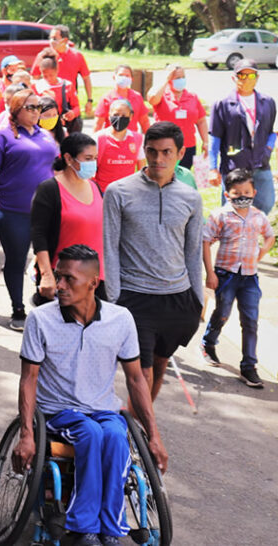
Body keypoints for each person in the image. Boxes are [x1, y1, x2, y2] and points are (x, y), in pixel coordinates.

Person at [14, 244, 167, 546]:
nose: (59, 286)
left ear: (93, 284)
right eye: (58, 277)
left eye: (69, 279)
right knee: (90, 433)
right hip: (58, 411)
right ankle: (84, 526)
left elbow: (136, 379)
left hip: (103, 409)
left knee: (114, 435)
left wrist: (154, 435)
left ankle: (110, 528)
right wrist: (26, 433)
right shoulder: (40, 319)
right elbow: (28, 379)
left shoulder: (120, 319)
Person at [103, 121, 203, 402]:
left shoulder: (191, 198)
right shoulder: (118, 191)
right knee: (141, 375)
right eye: (152, 151)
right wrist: (114, 299)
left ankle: (139, 433)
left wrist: (197, 300)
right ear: (144, 151)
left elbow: (193, 252)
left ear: (180, 153)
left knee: (159, 368)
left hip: (178, 300)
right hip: (134, 299)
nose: (158, 159)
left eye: (166, 152)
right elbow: (109, 247)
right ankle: (140, 440)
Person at [0, 89, 59, 331]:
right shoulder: (3, 137)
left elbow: (56, 168)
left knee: (47, 259)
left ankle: (45, 304)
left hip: (45, 211)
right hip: (12, 211)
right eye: (30, 107)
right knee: (17, 260)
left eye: (38, 107)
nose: (36, 112)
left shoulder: (46, 136)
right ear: (16, 110)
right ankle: (18, 309)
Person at [200, 169, 275, 388]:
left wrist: (262, 252)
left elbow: (269, 236)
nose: (242, 196)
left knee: (250, 321)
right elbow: (206, 241)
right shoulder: (220, 216)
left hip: (250, 277)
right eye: (237, 192)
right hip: (226, 275)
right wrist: (210, 273)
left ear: (254, 192)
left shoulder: (258, 216)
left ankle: (249, 365)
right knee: (222, 313)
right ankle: (208, 344)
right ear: (227, 194)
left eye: (247, 192)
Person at [31, 133, 105, 308]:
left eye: (94, 158)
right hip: (64, 280)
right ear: (68, 158)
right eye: (88, 158)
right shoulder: (49, 189)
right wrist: (47, 275)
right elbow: (39, 235)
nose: (93, 163)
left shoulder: (95, 187)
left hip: (96, 280)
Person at [207, 59, 276, 214]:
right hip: (234, 165)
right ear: (234, 78)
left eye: (251, 76)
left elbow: (271, 131)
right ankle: (233, 236)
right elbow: (215, 137)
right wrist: (212, 167)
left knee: (266, 202)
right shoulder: (223, 104)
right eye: (242, 76)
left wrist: (268, 149)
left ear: (257, 78)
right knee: (232, 209)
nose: (246, 80)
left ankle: (251, 233)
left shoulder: (268, 102)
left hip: (260, 163)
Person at [148, 64, 208, 169]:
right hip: (164, 146)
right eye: (177, 78)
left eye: (183, 77)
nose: (181, 80)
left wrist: (205, 141)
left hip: (187, 146)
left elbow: (201, 121)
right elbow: (152, 98)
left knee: (182, 177)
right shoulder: (162, 95)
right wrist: (165, 79)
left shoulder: (192, 97)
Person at [32, 25, 94, 124]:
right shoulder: (43, 56)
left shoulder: (77, 56)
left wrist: (89, 100)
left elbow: (86, 78)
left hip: (68, 102)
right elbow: (35, 78)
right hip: (47, 106)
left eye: (55, 38)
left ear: (64, 40)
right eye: (50, 38)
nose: (51, 41)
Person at [92, 99, 146, 192]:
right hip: (104, 192)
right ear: (109, 116)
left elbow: (142, 169)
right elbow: (91, 169)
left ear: (131, 116)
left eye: (124, 115)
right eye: (116, 115)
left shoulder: (138, 139)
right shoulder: (99, 138)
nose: (120, 118)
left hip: (128, 192)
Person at [93, 65, 150, 133]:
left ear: (132, 79)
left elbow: (144, 122)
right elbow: (98, 124)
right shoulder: (106, 98)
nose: (124, 78)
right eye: (121, 75)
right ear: (114, 77)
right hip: (111, 139)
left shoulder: (137, 97)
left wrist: (149, 140)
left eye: (127, 76)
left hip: (131, 139)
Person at [33, 55, 80, 132]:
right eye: (45, 76)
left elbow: (77, 107)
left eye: (51, 75)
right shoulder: (37, 86)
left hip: (63, 126)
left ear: (57, 70)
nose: (49, 78)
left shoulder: (68, 85)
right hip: (44, 126)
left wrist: (73, 113)